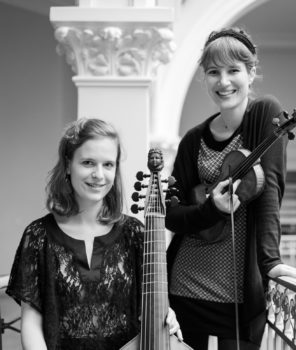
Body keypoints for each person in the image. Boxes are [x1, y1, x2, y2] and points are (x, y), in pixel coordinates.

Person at [165, 27, 296, 350]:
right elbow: (171, 214)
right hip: (185, 284)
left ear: (251, 73)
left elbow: (269, 191)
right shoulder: (192, 141)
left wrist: (270, 262)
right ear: (205, 78)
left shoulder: (265, 114)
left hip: (238, 293)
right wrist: (210, 209)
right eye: (213, 72)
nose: (223, 81)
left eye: (233, 70)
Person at [6, 118, 181, 350]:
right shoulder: (38, 236)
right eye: (88, 162)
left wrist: (167, 318)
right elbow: (31, 323)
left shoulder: (136, 234)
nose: (99, 174)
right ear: (68, 164)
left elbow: (150, 310)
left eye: (108, 164)